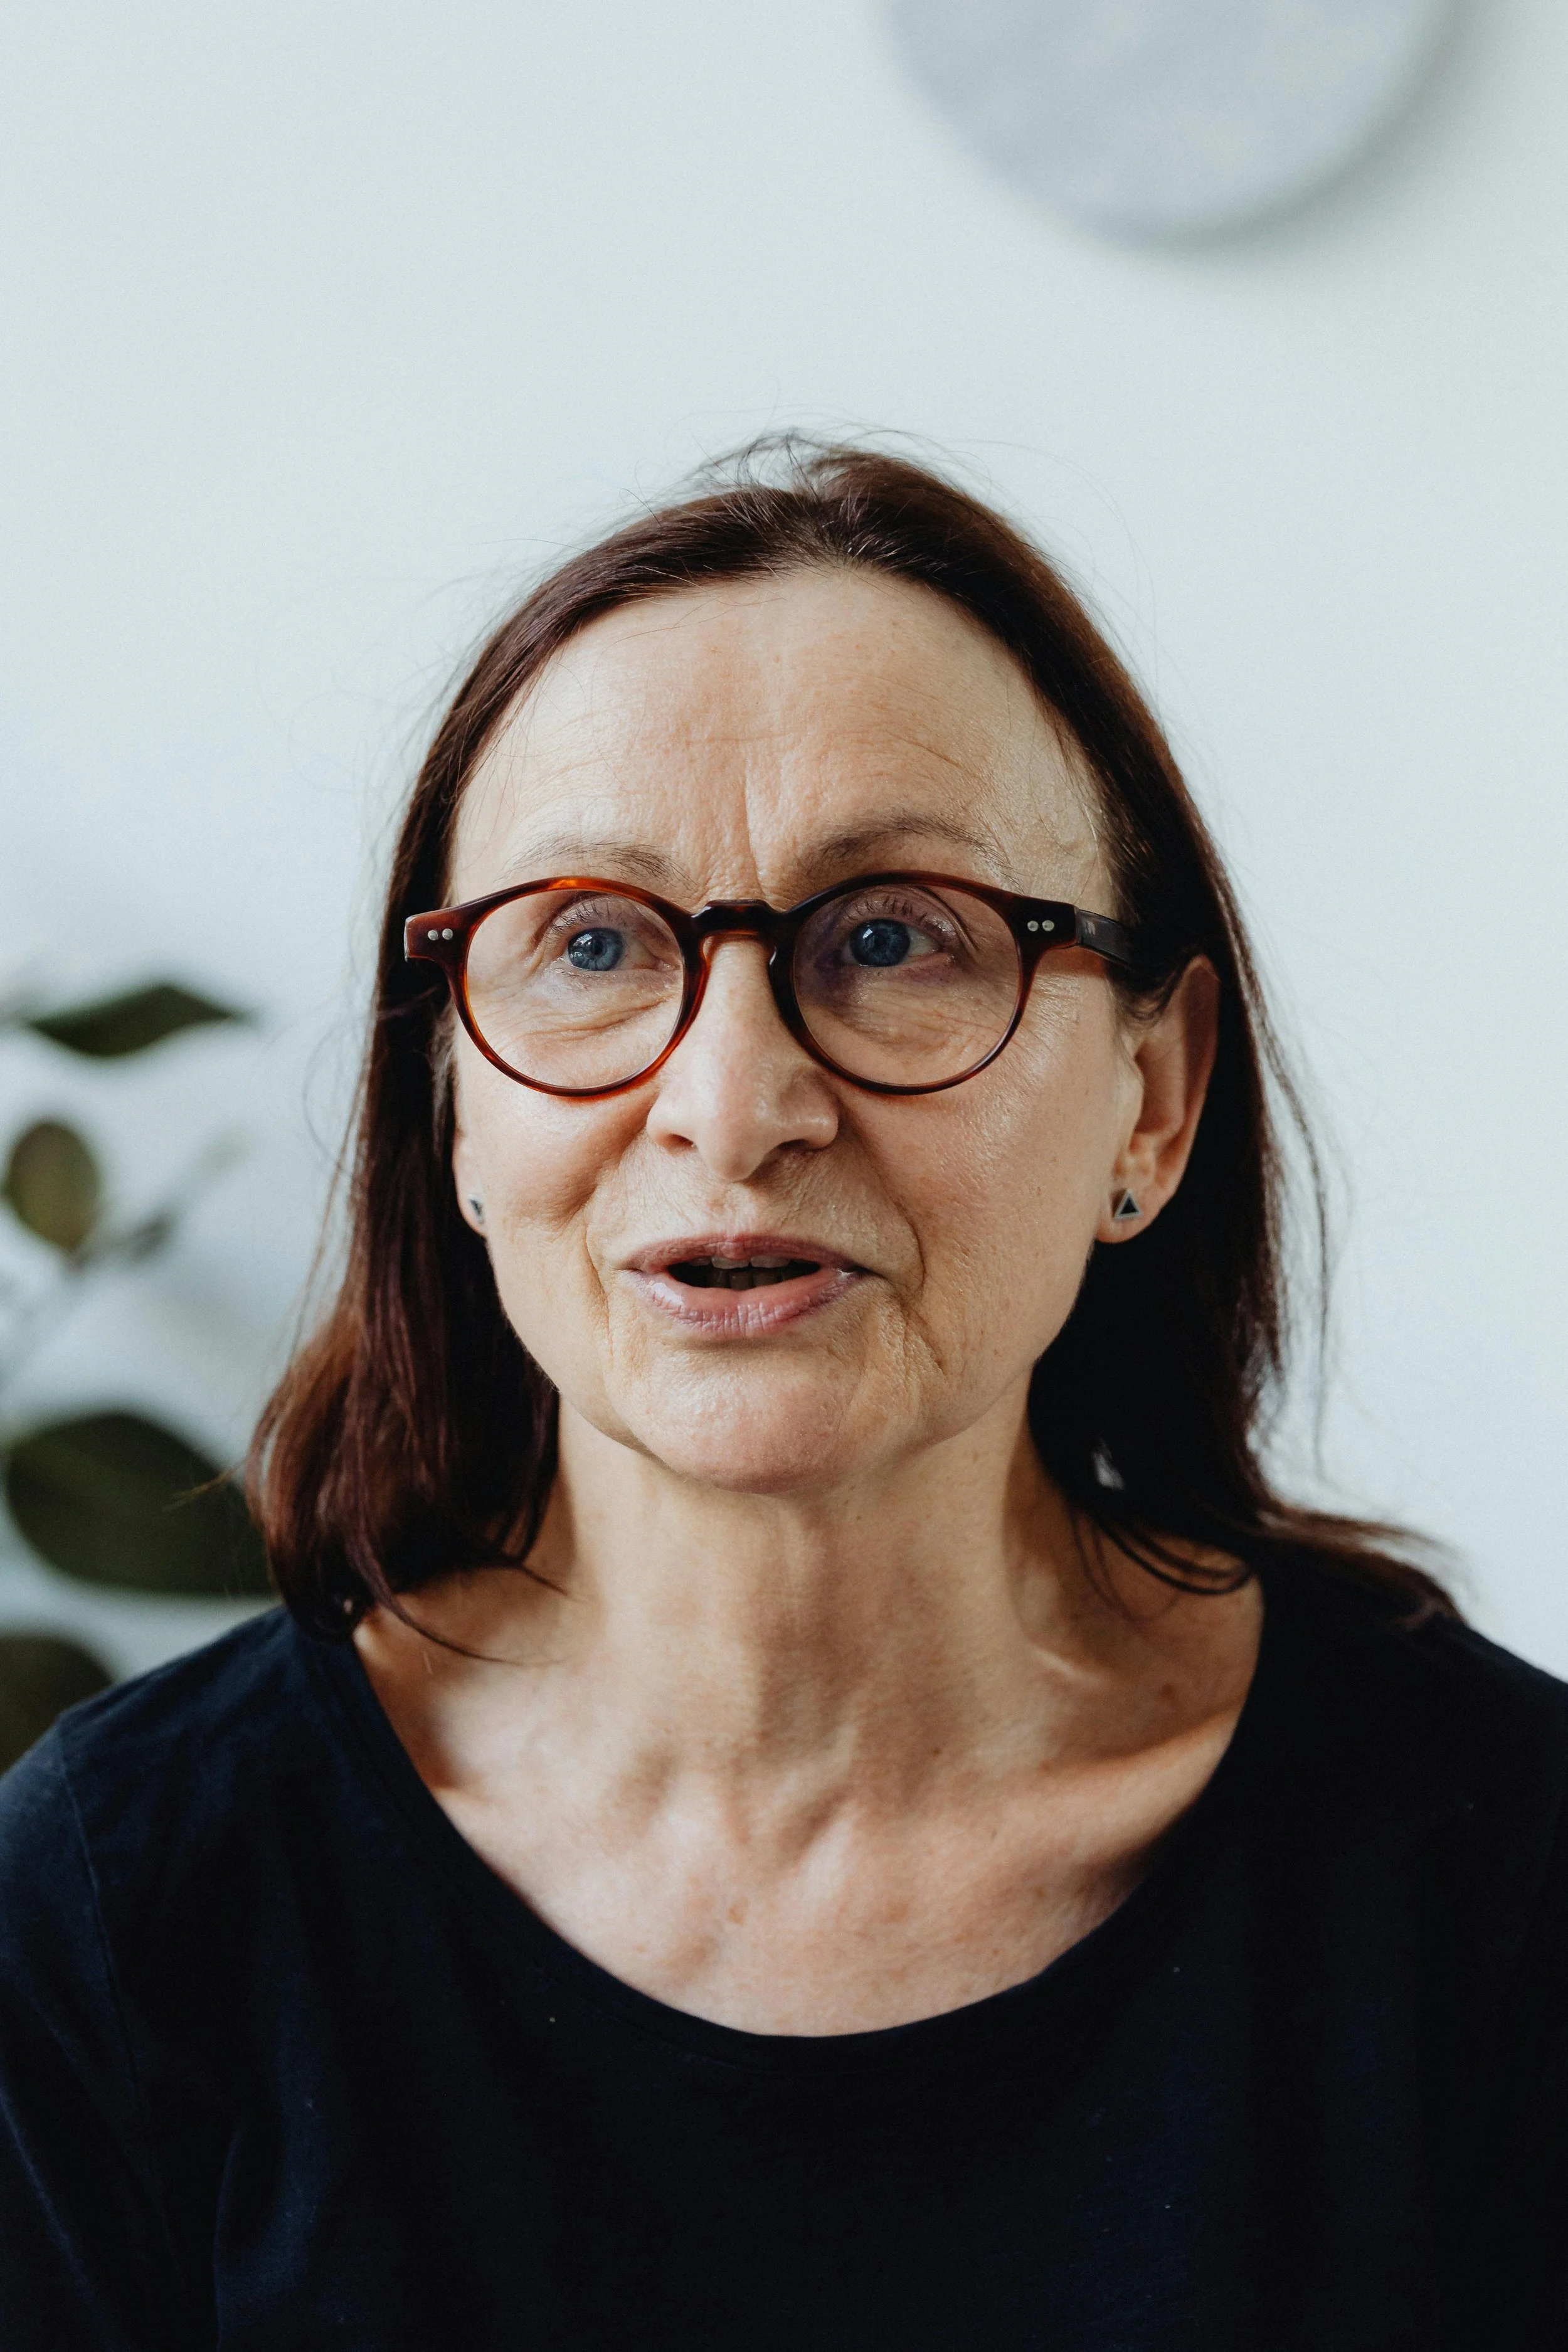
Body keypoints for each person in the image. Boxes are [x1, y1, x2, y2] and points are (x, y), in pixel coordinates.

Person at [1, 444, 1564, 2351]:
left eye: (891, 935)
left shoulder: (1498, 1880)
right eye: (588, 942)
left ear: (1151, 1098)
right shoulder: (116, 1906)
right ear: (453, 1109)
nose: (731, 1104)